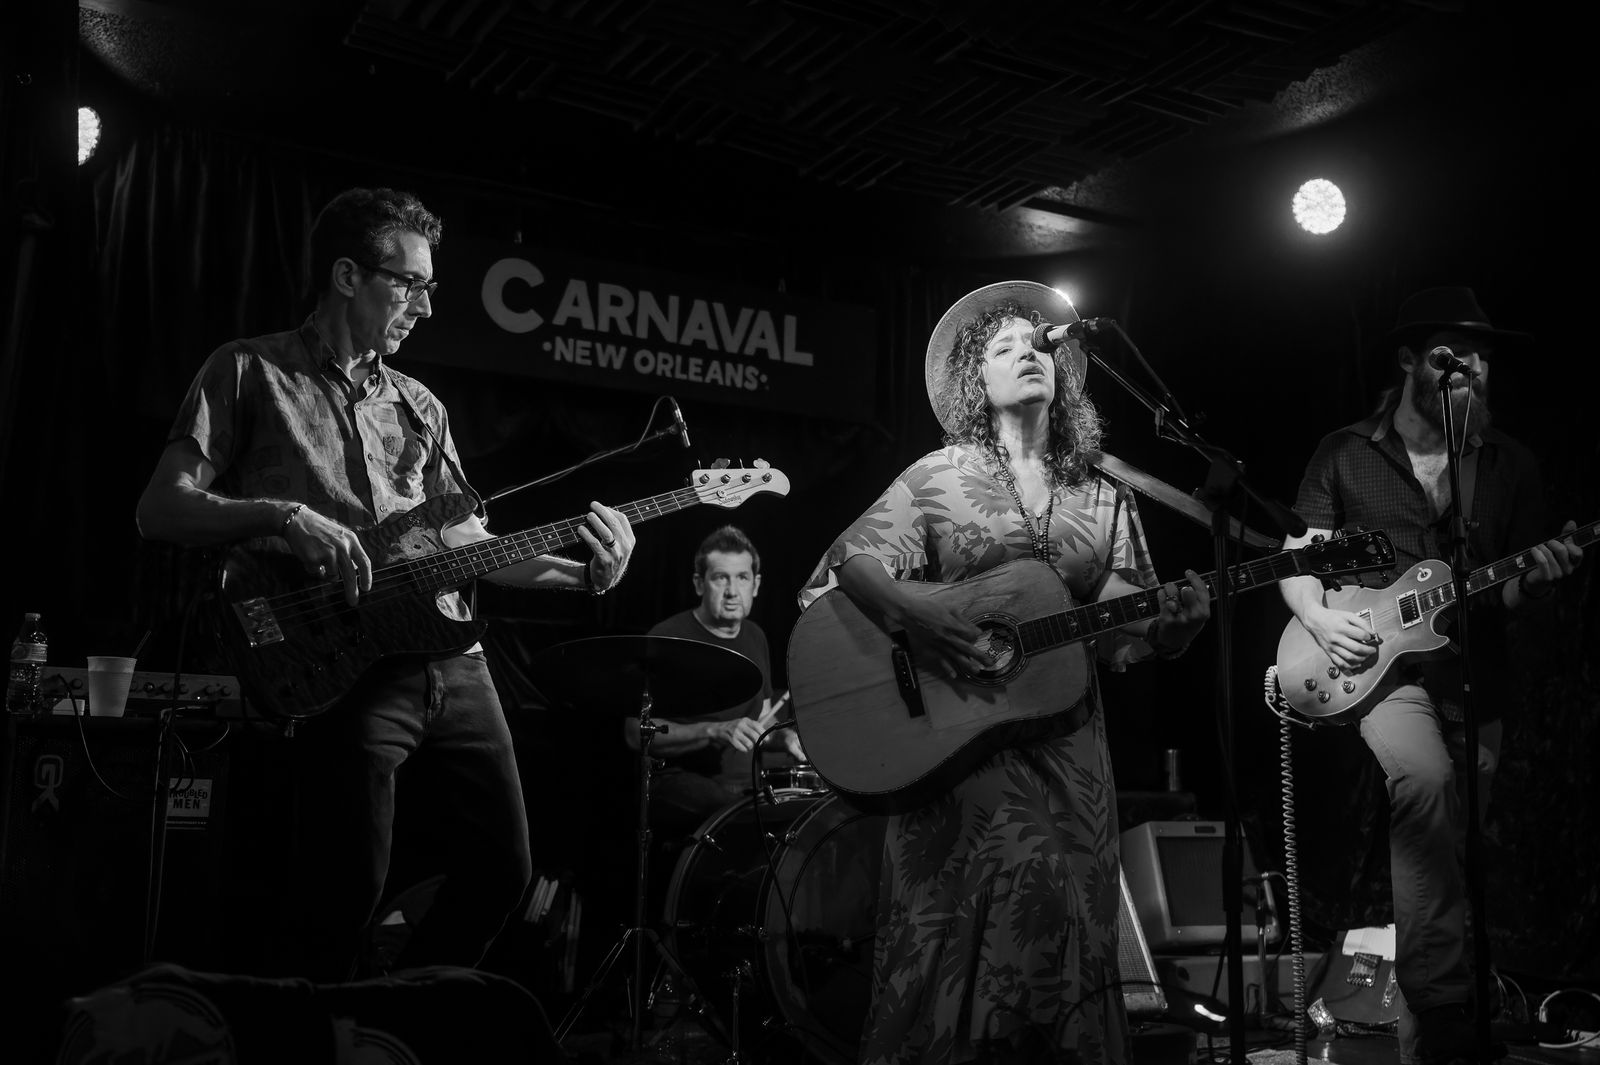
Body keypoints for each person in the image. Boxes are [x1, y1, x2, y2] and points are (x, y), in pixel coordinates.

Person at [135, 186, 637, 981]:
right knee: (346, 890)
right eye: (410, 284)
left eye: (429, 287)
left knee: (505, 870)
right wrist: (284, 516)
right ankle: (334, 1023)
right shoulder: (248, 369)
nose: (425, 307)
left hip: (454, 658)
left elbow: (468, 543)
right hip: (347, 662)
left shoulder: (421, 406)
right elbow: (160, 508)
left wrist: (584, 574)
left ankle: (395, 1016)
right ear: (347, 275)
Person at [796, 282, 1210, 1064]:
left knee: (1075, 912)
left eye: (1038, 342)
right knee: (1033, 879)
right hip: (955, 738)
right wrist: (917, 614)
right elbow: (851, 561)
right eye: (1004, 345)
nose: (1028, 351)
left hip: (1070, 744)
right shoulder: (937, 476)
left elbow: (1123, 631)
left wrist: (1173, 631)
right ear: (974, 381)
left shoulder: (1103, 496)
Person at [1277, 286, 1583, 1064]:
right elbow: (1297, 558)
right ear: (1411, 360)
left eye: (1483, 356)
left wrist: (1534, 582)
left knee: (1459, 843)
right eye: (1455, 353)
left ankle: (1435, 1038)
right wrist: (1320, 619)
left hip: (1476, 673)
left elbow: (1507, 588)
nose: (1472, 366)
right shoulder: (1346, 450)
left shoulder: (1508, 463)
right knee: (1424, 782)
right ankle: (1444, 1010)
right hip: (1385, 675)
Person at [625, 524, 804, 838]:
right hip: (675, 780)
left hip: (744, 783)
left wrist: (784, 738)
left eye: (742, 577)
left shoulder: (755, 636)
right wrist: (714, 730)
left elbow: (763, 720)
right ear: (699, 584)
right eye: (721, 578)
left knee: (807, 812)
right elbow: (633, 734)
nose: (732, 591)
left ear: (756, 585)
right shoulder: (667, 638)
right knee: (743, 818)